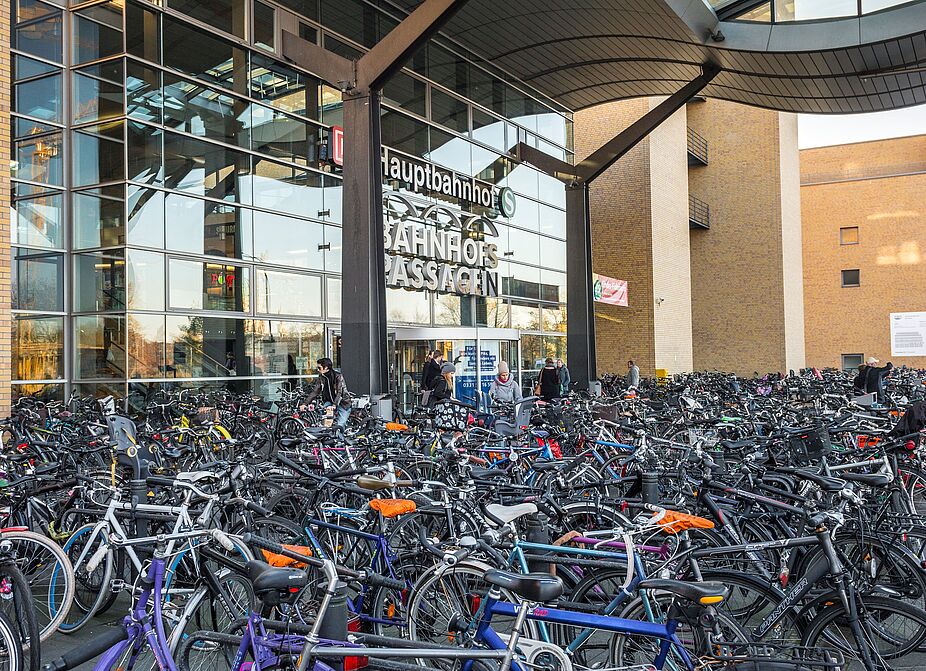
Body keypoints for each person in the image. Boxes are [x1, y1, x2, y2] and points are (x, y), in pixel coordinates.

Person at [305, 357, 351, 427]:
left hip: (343, 403)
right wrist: (305, 403)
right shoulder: (321, 377)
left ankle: (340, 437)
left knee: (340, 424)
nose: (317, 370)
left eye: (319, 368)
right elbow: (315, 391)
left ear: (326, 367)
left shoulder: (337, 376)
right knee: (322, 421)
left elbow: (339, 392)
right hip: (329, 401)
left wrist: (334, 405)